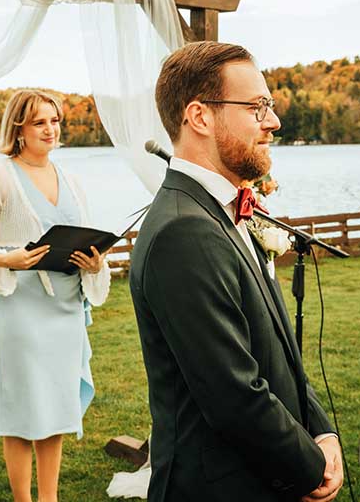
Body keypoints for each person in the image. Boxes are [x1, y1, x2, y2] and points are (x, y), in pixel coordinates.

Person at [129, 42, 344, 502]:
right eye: (257, 106)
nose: (273, 121)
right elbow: (232, 394)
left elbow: (275, 355)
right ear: (200, 117)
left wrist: (322, 432)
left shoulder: (220, 211)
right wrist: (309, 466)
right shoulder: (184, 231)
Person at [0, 89, 111, 502]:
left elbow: (84, 234)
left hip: (65, 309)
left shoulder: (72, 181)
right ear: (19, 129)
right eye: (40, 122)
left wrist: (95, 263)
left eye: (55, 120)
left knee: (56, 409)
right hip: (21, 311)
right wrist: (7, 259)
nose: (51, 129)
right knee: (23, 410)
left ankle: (50, 498)